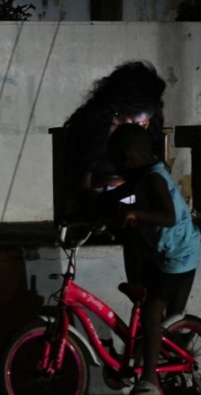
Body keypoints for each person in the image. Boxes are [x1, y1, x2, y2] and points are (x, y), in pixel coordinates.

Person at [102, 124, 201, 395]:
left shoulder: (154, 178)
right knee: (157, 316)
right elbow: (120, 194)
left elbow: (167, 217)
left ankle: (148, 381)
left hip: (178, 256)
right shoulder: (144, 173)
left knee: (152, 314)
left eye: (116, 160)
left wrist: (135, 211)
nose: (115, 167)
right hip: (168, 252)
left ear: (128, 156)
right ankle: (143, 364)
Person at [62, 60, 168, 285]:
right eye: (131, 123)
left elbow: (156, 175)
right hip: (103, 205)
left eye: (144, 124)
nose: (138, 130)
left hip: (134, 202)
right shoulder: (95, 130)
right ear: (115, 113)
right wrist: (112, 203)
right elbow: (80, 187)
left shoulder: (145, 131)